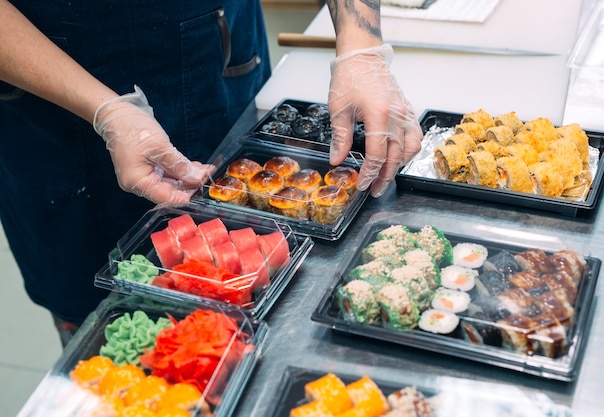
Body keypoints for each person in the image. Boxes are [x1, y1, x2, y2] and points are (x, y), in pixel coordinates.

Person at [0, 0, 422, 346]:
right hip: (54, 108)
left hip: (215, 57)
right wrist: (105, 110)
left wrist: (362, 44)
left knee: (281, 307)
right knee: (111, 331)